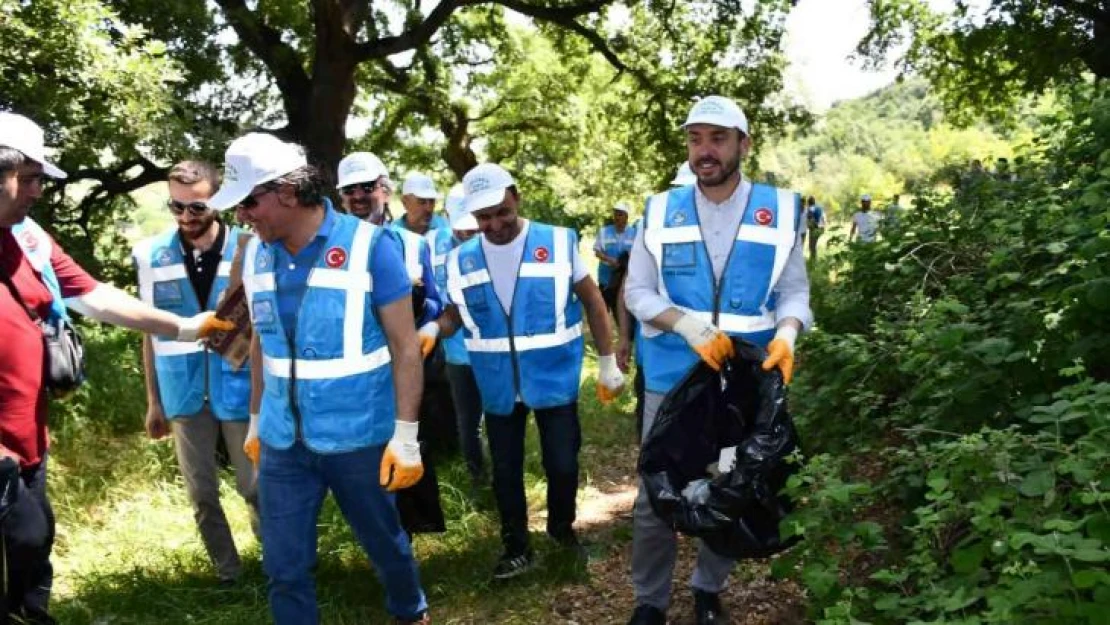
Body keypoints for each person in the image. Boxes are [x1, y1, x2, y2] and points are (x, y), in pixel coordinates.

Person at [0, 112, 229, 624]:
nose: (39, 191)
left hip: (26, 439)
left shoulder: (27, 237)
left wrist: (185, 327)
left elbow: (95, 297)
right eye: (33, 178)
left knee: (34, 541)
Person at [215, 133, 429, 625]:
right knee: (284, 567)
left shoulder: (371, 247)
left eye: (249, 202)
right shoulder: (256, 255)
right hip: (283, 443)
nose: (242, 216)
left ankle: (409, 610)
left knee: (386, 545)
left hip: (359, 437)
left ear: (287, 192)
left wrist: (406, 436)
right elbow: (263, 345)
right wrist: (254, 421)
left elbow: (404, 349)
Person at [623, 95, 812, 625]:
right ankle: (649, 602)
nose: (704, 151)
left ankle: (708, 588)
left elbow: (795, 293)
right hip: (671, 375)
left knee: (732, 485)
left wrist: (789, 334)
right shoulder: (659, 210)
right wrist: (684, 324)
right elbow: (637, 291)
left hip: (745, 380)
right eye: (695, 139)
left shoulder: (781, 210)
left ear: (743, 144)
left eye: (718, 138)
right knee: (654, 494)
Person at [428, 163, 626, 580]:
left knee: (562, 463)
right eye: (484, 218)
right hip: (497, 383)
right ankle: (516, 546)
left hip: (553, 376)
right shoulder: (460, 259)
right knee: (505, 470)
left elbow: (592, 300)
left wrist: (608, 360)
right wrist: (432, 329)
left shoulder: (555, 241)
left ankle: (561, 530)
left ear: (516, 197)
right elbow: (454, 315)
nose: (495, 224)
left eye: (502, 212)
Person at [132, 160, 259, 585]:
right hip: (182, 392)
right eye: (177, 207)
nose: (186, 217)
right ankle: (229, 575)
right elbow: (149, 333)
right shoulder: (150, 256)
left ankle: (280, 565)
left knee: (255, 486)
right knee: (202, 494)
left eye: (197, 207)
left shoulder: (250, 245)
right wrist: (154, 402)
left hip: (240, 388)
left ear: (217, 203)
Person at [424, 184, 486, 486]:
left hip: (492, 347)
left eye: (473, 228)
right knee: (468, 421)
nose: (467, 235)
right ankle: (478, 478)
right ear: (447, 216)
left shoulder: (494, 241)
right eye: (462, 228)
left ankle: (503, 476)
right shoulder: (431, 242)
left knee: (499, 417)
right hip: (456, 349)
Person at [594, 201, 636, 313]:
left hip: (624, 281)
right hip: (605, 280)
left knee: (622, 313)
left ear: (626, 216)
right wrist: (609, 259)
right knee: (602, 312)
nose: (617, 217)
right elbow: (597, 252)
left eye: (620, 214)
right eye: (615, 214)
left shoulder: (634, 233)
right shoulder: (604, 232)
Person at [804, 196, 826, 261]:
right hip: (822, 228)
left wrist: (810, 227)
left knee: (812, 246)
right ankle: (813, 259)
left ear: (808, 203)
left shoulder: (810, 209)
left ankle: (813, 260)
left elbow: (812, 220)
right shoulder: (819, 208)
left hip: (815, 228)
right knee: (813, 245)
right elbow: (823, 218)